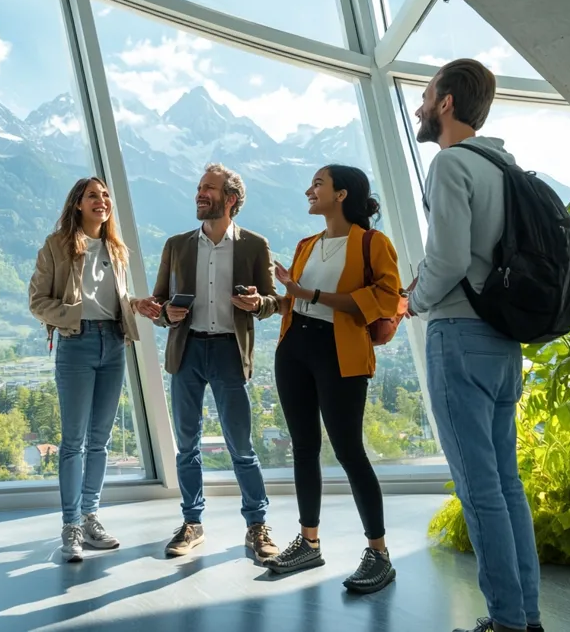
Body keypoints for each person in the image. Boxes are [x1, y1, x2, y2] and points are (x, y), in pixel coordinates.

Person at [407, 58, 543, 632]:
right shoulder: (505, 167)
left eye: (426, 95)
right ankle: (525, 616)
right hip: (503, 342)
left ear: (445, 103)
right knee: (507, 487)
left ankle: (506, 622)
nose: (417, 105)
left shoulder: (451, 165)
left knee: (478, 488)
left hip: (458, 336)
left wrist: (409, 303)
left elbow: (449, 260)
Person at [264, 165, 404, 595]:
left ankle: (378, 554)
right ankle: (309, 543)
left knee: (349, 451)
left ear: (341, 194)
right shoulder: (308, 244)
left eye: (318, 184)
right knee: (303, 448)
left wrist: (312, 295)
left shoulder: (372, 243)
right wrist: (272, 300)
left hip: (339, 352)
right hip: (295, 349)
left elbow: (386, 296)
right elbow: (295, 300)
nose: (309, 190)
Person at [141, 163, 280, 560]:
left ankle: (257, 525)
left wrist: (258, 303)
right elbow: (159, 304)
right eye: (199, 187)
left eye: (209, 189)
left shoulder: (254, 245)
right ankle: (192, 523)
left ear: (231, 199)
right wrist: (168, 313)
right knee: (186, 446)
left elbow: (273, 302)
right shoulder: (176, 245)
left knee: (241, 446)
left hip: (228, 353)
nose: (200, 194)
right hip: (186, 353)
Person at [29, 177, 151, 563]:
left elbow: (113, 298)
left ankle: (90, 516)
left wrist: (135, 304)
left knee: (100, 441)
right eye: (93, 196)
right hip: (76, 344)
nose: (102, 201)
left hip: (114, 343)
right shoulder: (56, 246)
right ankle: (70, 526)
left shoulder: (116, 248)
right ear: (78, 204)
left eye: (105, 195)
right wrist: (74, 316)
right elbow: (37, 301)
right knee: (73, 442)